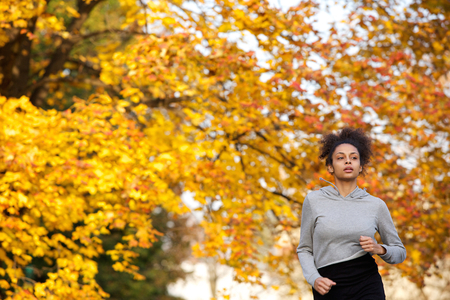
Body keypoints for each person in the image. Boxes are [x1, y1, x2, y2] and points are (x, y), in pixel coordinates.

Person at [297, 127, 406, 299]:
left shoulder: (376, 205)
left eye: (353, 158)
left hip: (367, 283)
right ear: (330, 167)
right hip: (328, 286)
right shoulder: (313, 201)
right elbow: (304, 249)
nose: (348, 162)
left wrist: (379, 248)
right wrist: (314, 279)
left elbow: (400, 252)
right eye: (341, 158)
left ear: (360, 166)